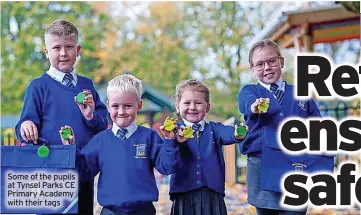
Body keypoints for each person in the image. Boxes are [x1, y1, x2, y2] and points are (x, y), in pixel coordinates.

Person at [15, 19, 108, 214]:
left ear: (78, 49)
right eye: (57, 47)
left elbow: (102, 125)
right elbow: (23, 127)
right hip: (51, 171)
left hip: (83, 168)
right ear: (47, 51)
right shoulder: (38, 87)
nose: (64, 53)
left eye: (69, 47)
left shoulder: (87, 85)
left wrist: (91, 115)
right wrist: (26, 125)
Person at [237, 39, 334, 215]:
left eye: (271, 61)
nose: (267, 67)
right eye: (260, 64)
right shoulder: (250, 92)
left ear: (281, 61)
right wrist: (254, 106)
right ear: (252, 69)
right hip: (262, 169)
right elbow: (246, 104)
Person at [79, 74, 180, 215]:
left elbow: (167, 167)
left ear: (139, 105)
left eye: (127, 106)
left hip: (144, 211)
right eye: (115, 106)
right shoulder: (100, 140)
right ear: (108, 106)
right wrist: (69, 148)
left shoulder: (150, 137)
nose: (121, 112)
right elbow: (83, 172)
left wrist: (170, 141)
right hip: (110, 212)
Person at [169, 79, 247, 215]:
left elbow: (228, 133)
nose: (192, 107)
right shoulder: (173, 131)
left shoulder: (214, 129)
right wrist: (172, 139)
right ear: (177, 106)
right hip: (183, 195)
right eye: (187, 103)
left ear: (207, 107)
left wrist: (237, 132)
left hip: (211, 196)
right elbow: (168, 155)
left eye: (198, 103)